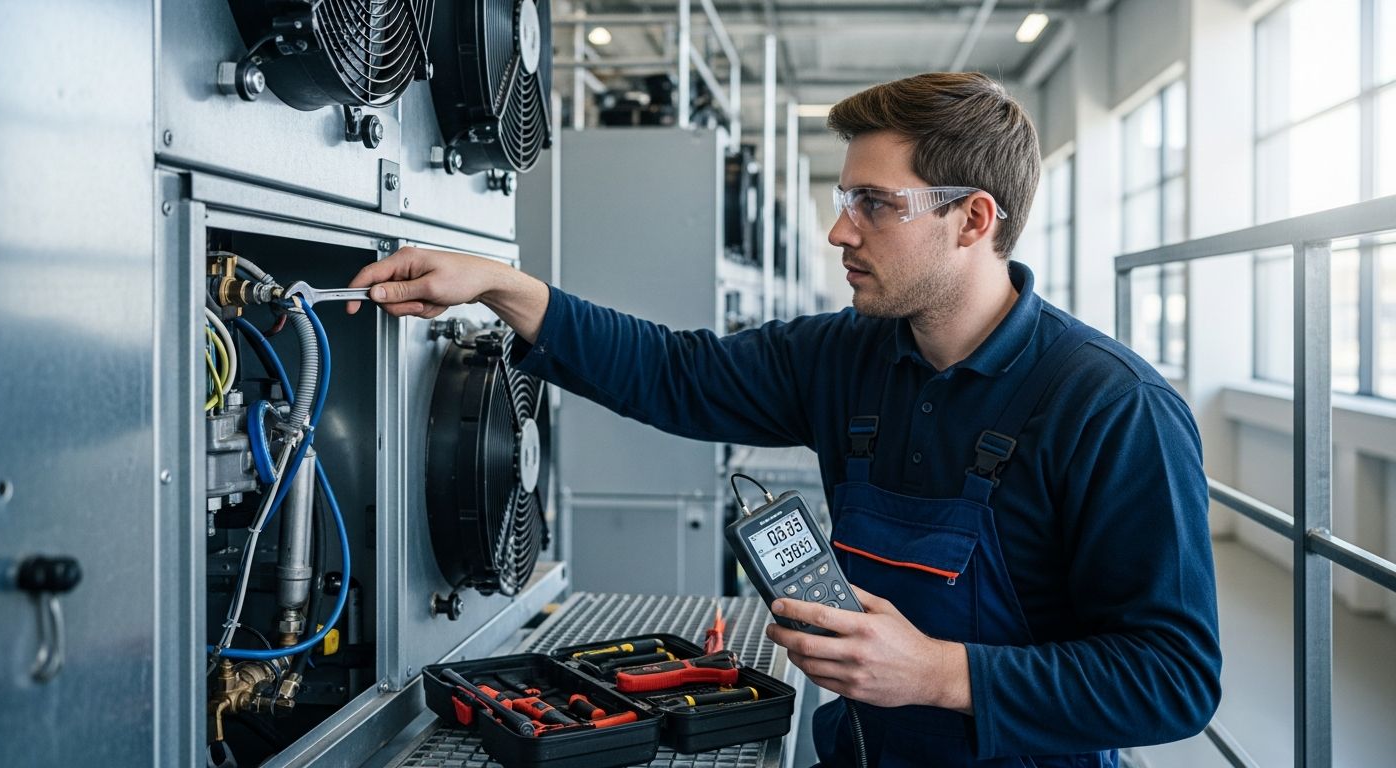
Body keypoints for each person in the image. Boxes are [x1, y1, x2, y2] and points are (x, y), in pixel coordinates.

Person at [346, 72, 1220, 767]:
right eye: (844, 199)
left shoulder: (1112, 407)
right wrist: (506, 287)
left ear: (973, 220)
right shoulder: (849, 354)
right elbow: (676, 374)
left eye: (874, 203)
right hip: (861, 749)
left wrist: (940, 673)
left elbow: (1172, 678)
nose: (838, 231)